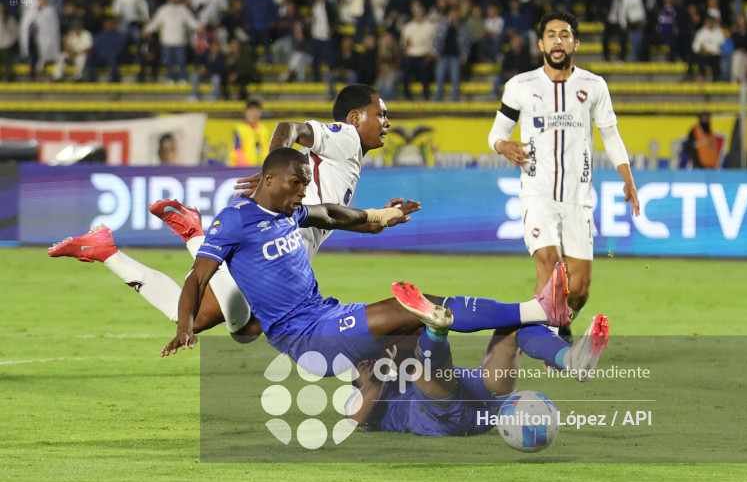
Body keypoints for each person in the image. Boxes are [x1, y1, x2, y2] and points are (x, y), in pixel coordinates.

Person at [48, 85, 418, 348]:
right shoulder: (346, 137)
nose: (387, 121)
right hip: (271, 247)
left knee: (224, 324)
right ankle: (170, 239)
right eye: (381, 113)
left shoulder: (348, 161)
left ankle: (118, 248)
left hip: (281, 251)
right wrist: (273, 167)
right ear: (355, 117)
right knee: (233, 327)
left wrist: (380, 220)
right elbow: (288, 129)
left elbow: (333, 218)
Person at [163, 147, 572, 373]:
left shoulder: (290, 212)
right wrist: (185, 328)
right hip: (307, 338)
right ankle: (539, 309)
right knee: (417, 307)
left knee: (421, 330)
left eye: (305, 183)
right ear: (268, 179)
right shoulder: (236, 219)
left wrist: (382, 215)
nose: (302, 191)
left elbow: (332, 214)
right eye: (296, 182)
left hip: (327, 315)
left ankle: (556, 350)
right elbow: (198, 279)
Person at [487, 12, 640, 342]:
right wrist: (503, 145)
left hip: (578, 198)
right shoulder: (520, 86)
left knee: (579, 289)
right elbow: (496, 134)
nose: (558, 40)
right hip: (537, 192)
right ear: (541, 45)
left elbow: (610, 134)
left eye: (565, 35)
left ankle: (559, 322)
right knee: (550, 265)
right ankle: (548, 343)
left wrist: (627, 178)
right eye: (551, 35)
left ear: (576, 43)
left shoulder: (594, 86)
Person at [348, 302, 610, 435]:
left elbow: (404, 338)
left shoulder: (400, 361)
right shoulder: (360, 397)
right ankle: (436, 331)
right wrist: (377, 378)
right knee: (421, 367)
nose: (368, 361)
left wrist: (387, 346)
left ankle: (570, 359)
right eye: (361, 364)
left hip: (481, 398)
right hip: (439, 417)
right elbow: (355, 418)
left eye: (368, 356)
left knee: (512, 328)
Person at [228, 99, 270, 168]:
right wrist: (247, 168)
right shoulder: (239, 129)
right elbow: (237, 150)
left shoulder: (264, 130)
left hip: (261, 169)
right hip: (242, 169)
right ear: (246, 112)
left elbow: (267, 150)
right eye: (252, 111)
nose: (254, 114)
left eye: (257, 111)